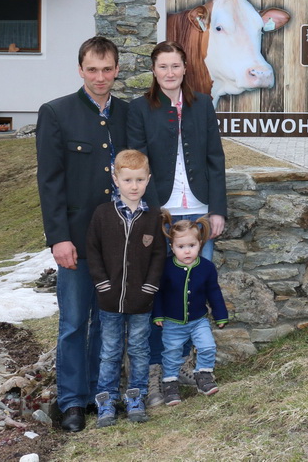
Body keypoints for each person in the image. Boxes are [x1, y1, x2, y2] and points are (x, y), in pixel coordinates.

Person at [36, 35, 128, 433]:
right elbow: (50, 181)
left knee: (108, 321)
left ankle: (99, 394)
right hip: (75, 237)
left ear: (117, 70)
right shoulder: (56, 113)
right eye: (92, 69)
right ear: (80, 70)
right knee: (74, 321)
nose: (100, 76)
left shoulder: (128, 115)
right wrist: (58, 237)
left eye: (107, 69)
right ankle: (72, 400)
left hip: (118, 236)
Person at [128, 41, 227, 405]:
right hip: (164, 213)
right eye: (163, 66)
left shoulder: (203, 106)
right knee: (163, 291)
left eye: (176, 66)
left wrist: (217, 210)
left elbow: (215, 159)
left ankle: (190, 367)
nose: (170, 73)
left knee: (196, 289)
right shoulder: (140, 109)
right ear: (154, 71)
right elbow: (139, 163)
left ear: (186, 68)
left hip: (199, 212)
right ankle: (158, 372)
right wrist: (152, 214)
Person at [85, 149, 166, 428]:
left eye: (140, 180)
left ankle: (136, 397)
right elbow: (92, 251)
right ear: (116, 179)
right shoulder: (103, 214)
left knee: (139, 350)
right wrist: (103, 284)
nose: (134, 186)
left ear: (148, 180)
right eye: (128, 180)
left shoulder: (153, 215)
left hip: (141, 301)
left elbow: (158, 254)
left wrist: (149, 287)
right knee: (109, 350)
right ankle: (106, 401)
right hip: (109, 300)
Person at [153, 218, 229, 404]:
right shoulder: (166, 267)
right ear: (172, 246)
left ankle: (203, 375)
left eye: (191, 245)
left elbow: (214, 292)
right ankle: (170, 384)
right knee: (171, 352)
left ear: (200, 244)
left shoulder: (206, 268)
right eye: (181, 246)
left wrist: (220, 315)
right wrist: (158, 314)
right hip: (172, 322)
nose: (187, 251)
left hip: (198, 320)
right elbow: (158, 293)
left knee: (207, 346)